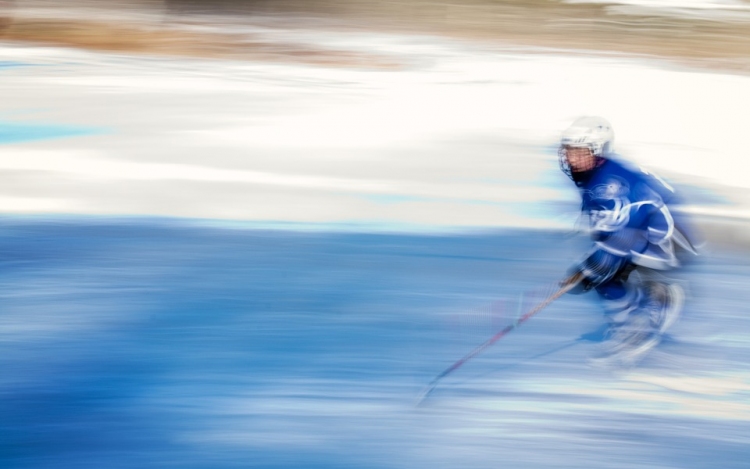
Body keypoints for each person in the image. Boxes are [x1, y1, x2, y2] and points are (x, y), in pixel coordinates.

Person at [557, 116, 699, 362]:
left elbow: (623, 236)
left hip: (667, 235)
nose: (572, 158)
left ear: (597, 151)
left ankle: (657, 304)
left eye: (580, 152)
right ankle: (629, 323)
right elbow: (610, 232)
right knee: (602, 275)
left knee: (603, 271)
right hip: (641, 230)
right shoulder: (595, 174)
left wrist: (588, 269)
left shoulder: (611, 184)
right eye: (569, 151)